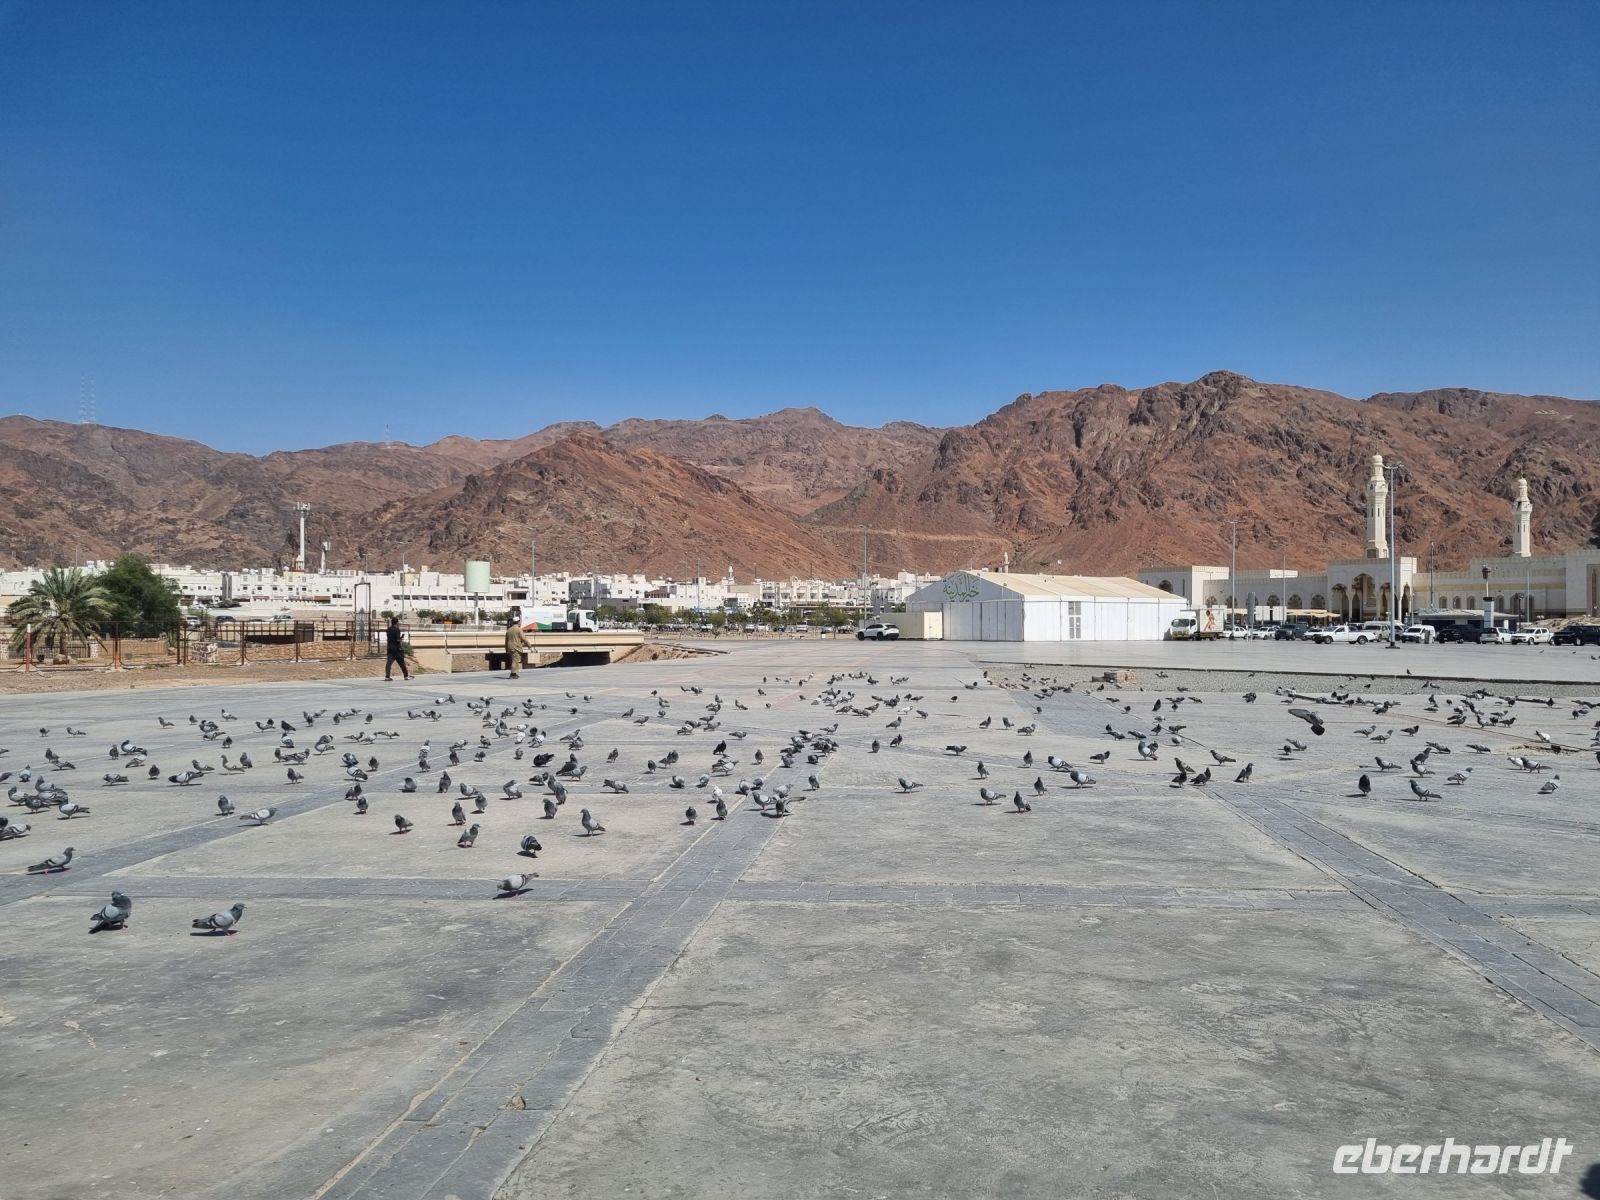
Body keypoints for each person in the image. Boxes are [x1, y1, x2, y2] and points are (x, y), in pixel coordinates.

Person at [384, 616, 410, 680]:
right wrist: (401, 639)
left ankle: (387, 676)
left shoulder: (388, 630)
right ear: (397, 623)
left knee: (389, 663)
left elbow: (390, 638)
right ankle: (406, 676)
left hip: (390, 648)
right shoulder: (397, 630)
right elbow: (398, 640)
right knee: (401, 663)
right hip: (396, 649)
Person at [504, 614, 529, 678]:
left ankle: (514, 673)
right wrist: (529, 646)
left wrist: (506, 649)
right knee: (515, 660)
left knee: (514, 660)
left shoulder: (509, 630)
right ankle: (513, 674)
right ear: (518, 622)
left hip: (510, 647)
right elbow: (524, 638)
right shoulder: (518, 629)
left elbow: (506, 640)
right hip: (516, 647)